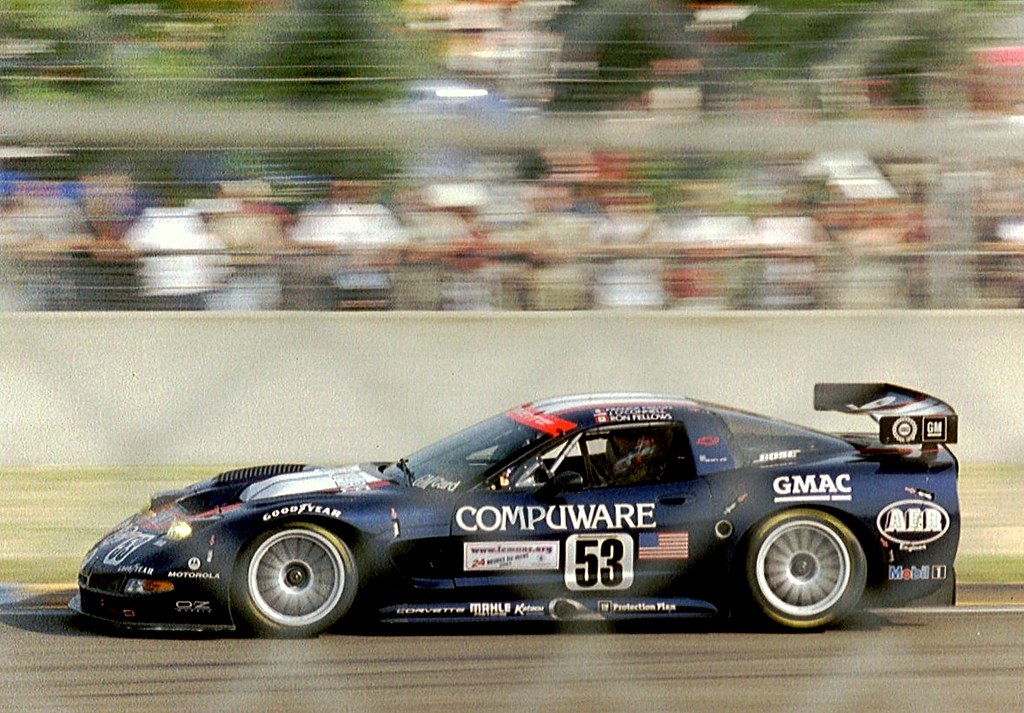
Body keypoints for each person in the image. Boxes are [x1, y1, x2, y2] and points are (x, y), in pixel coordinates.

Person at [603, 430, 668, 485]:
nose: (643, 440)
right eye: (643, 438)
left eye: (646, 439)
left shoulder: (658, 456)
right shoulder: (624, 457)